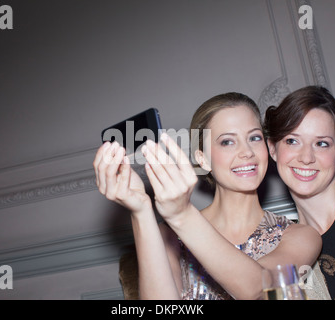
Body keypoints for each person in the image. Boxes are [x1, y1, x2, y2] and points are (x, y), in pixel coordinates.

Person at [93, 92, 322, 300]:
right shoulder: (169, 236)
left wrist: (183, 215)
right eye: (227, 141)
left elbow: (260, 290)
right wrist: (140, 210)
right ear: (202, 159)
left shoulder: (301, 236)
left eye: (254, 138)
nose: (247, 152)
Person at [264, 85, 335, 300]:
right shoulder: (284, 255)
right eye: (292, 141)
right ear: (273, 149)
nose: (306, 157)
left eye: (321, 143)